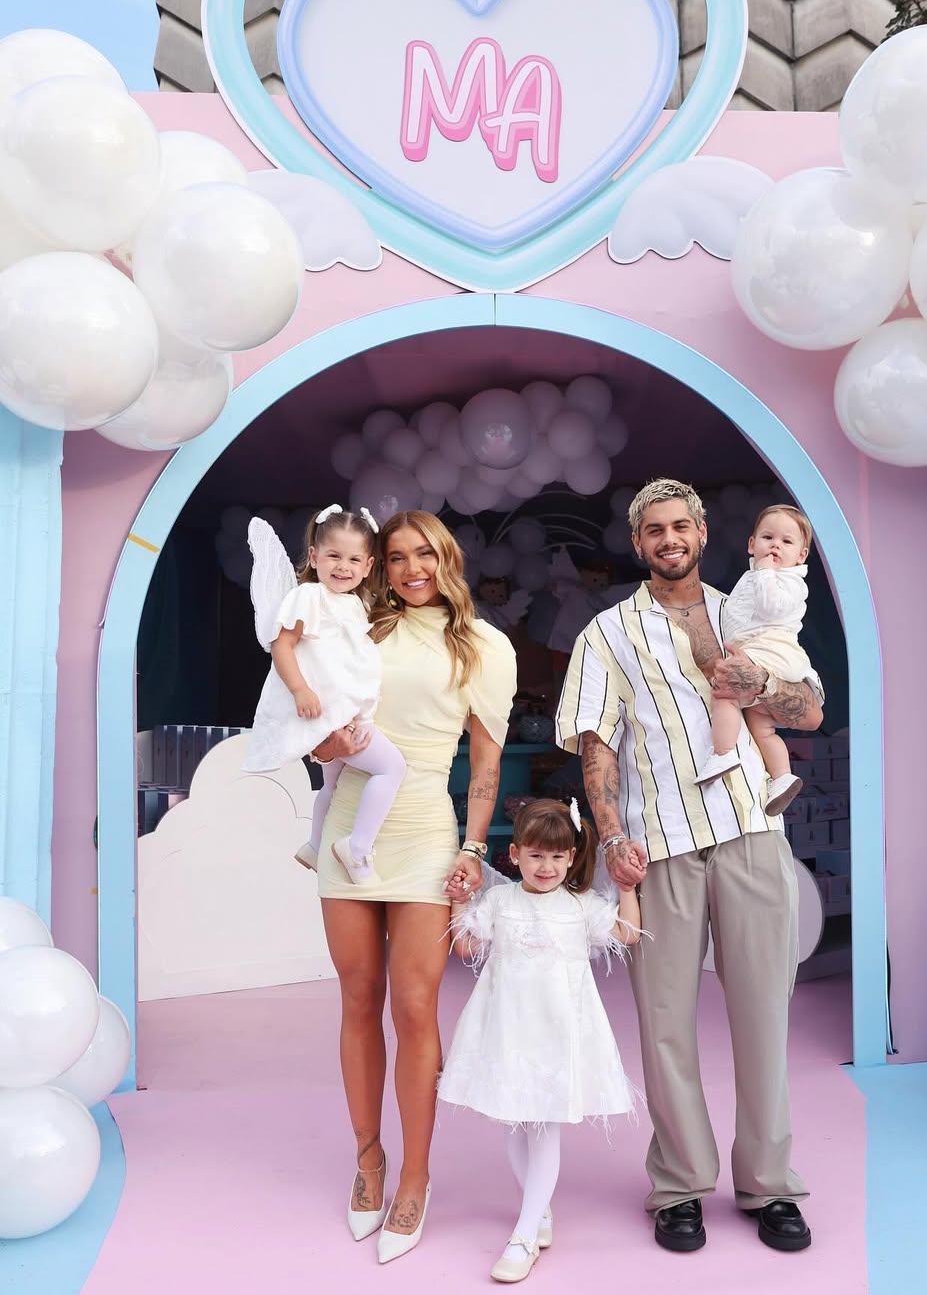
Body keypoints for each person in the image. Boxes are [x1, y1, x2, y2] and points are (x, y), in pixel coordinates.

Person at [554, 478, 824, 1256]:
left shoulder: (748, 609)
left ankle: (769, 1183)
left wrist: (760, 684)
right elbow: (597, 746)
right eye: (654, 529)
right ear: (638, 542)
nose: (669, 538)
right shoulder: (606, 634)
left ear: (702, 533)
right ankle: (679, 1185)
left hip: (750, 833)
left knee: (765, 1014)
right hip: (660, 845)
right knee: (665, 1023)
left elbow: (809, 709)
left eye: (681, 525)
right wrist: (610, 838)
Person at [308, 510, 517, 1264]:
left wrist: (473, 847)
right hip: (350, 827)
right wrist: (328, 742)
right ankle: (369, 1159)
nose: (410, 568)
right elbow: (318, 736)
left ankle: (417, 1178)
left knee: (416, 1007)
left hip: (426, 828)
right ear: (379, 567)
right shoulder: (354, 630)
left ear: (447, 557)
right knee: (358, 997)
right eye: (395, 557)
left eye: (423, 553)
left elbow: (485, 764)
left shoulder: (484, 645)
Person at [440, 798, 641, 1284]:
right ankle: (539, 1209)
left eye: (555, 856)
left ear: (571, 858)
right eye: (535, 855)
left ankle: (525, 1233)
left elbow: (627, 934)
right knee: (513, 1122)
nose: (545, 866)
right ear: (515, 855)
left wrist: (627, 888)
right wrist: (460, 899)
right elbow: (465, 945)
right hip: (508, 1028)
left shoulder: (580, 906)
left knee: (545, 1127)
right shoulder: (501, 901)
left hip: (558, 1033)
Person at [244, 504, 406, 883]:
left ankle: (316, 845)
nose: (343, 567)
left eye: (354, 559)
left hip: (344, 712)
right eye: (334, 556)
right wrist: (300, 689)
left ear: (367, 566)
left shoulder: (355, 604)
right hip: (329, 713)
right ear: (315, 557)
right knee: (391, 768)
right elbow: (282, 645)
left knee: (332, 784)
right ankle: (358, 848)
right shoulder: (309, 597)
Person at [694, 504, 813, 819]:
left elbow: (771, 608)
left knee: (725, 692)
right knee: (763, 727)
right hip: (764, 650)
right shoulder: (754, 577)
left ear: (801, 556)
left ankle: (722, 752)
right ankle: (782, 776)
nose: (775, 546)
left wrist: (765, 573)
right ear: (751, 544)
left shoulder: (786, 580)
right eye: (768, 537)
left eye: (786, 542)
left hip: (772, 651)